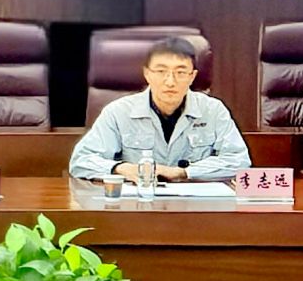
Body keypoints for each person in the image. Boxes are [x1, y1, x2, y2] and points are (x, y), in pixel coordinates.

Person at [69, 36, 249, 181]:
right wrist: (122, 168)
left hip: (195, 206)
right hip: (137, 204)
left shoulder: (213, 110)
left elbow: (239, 161)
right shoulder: (118, 112)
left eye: (180, 72)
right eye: (161, 71)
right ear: (147, 74)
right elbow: (81, 161)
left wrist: (183, 172)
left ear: (192, 76)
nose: (170, 81)